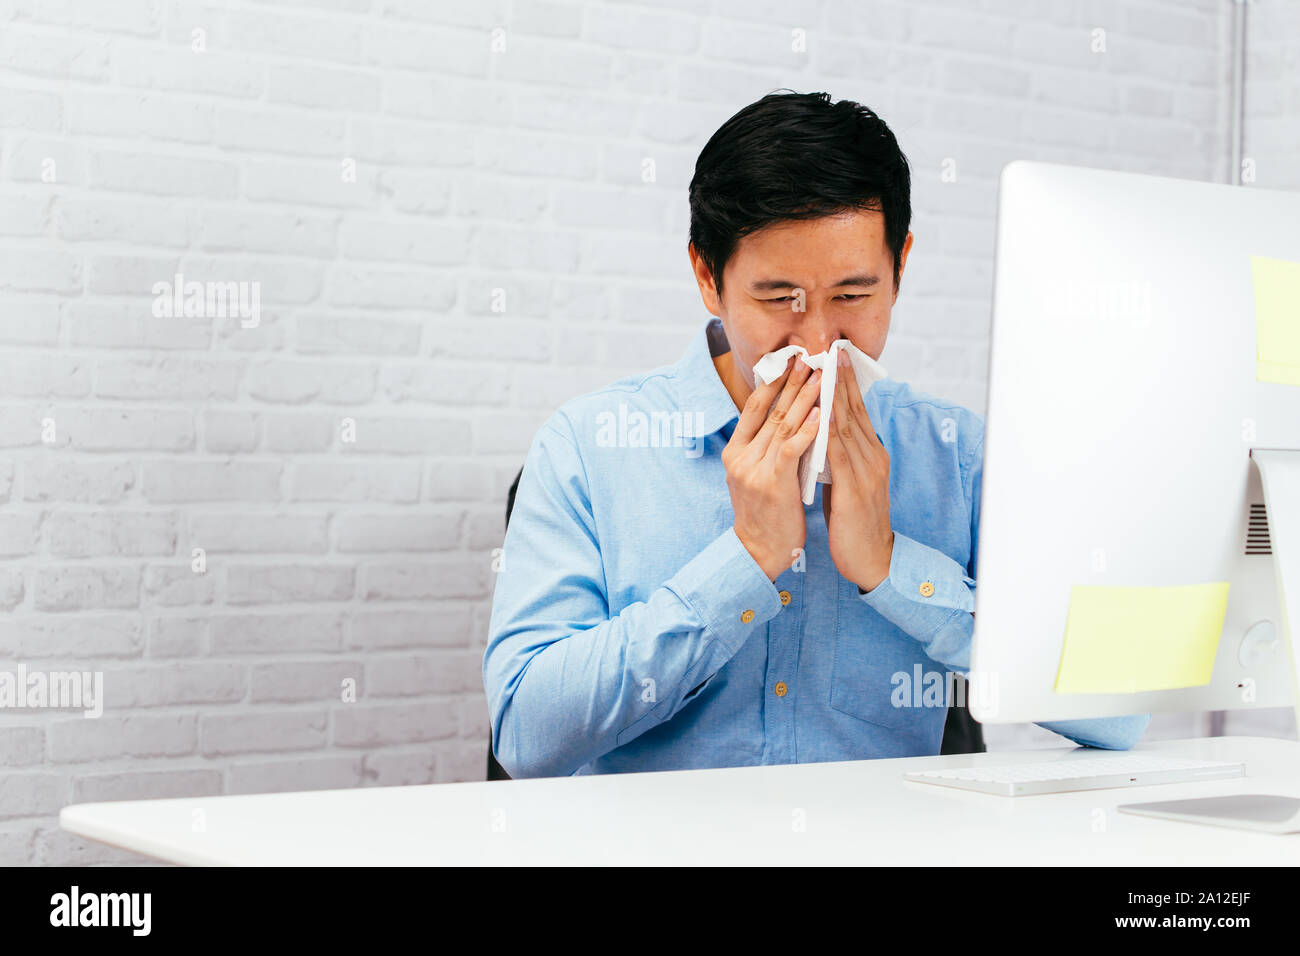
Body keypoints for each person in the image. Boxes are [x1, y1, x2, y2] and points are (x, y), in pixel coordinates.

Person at [483, 90, 1149, 778]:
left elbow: (1119, 712)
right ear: (708, 278)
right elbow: (527, 737)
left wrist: (894, 568)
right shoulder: (588, 448)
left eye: (853, 297)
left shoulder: (958, 456)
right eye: (778, 299)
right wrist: (744, 559)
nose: (820, 342)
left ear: (901, 268)